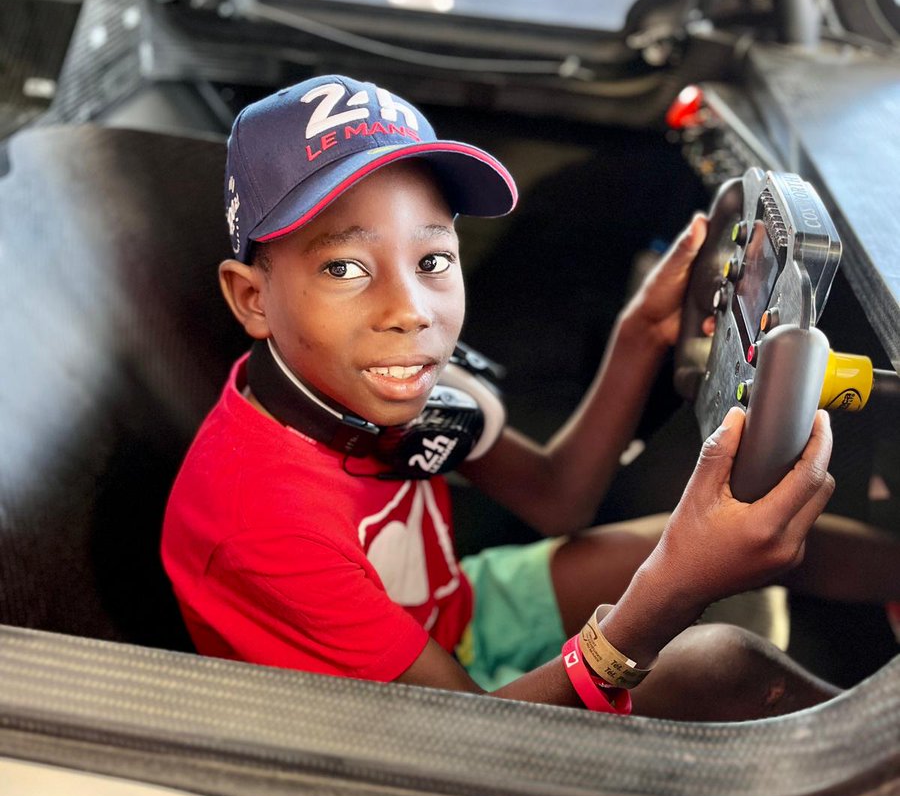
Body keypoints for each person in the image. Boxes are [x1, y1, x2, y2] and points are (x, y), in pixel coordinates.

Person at [162, 73, 858, 721]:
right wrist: (672, 590)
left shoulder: (387, 376)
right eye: (345, 268)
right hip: (394, 731)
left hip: (458, 611)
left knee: (762, 521)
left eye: (432, 261)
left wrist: (641, 332)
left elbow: (559, 498)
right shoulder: (261, 520)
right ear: (253, 298)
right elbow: (473, 736)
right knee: (718, 661)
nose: (411, 310)